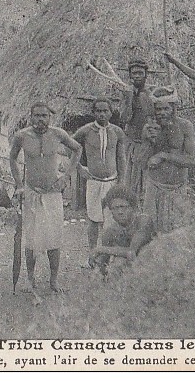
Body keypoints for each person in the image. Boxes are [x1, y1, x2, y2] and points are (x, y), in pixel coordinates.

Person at [9, 102, 82, 293]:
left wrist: (66, 176)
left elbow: (77, 149)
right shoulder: (22, 136)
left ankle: (53, 280)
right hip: (32, 192)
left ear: (50, 117)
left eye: (44, 116)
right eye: (37, 115)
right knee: (30, 239)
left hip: (52, 193)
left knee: (53, 238)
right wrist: (18, 184)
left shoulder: (58, 134)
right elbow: (12, 158)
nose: (41, 119)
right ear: (30, 117)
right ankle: (31, 279)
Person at [72, 97, 127, 265]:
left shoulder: (117, 132)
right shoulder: (85, 131)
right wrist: (79, 168)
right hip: (94, 181)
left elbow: (121, 157)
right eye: (98, 111)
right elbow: (70, 147)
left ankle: (108, 255)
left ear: (111, 112)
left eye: (105, 111)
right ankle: (92, 254)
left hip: (112, 181)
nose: (102, 114)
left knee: (112, 221)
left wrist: (122, 181)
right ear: (93, 112)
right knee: (94, 220)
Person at [140, 86, 195, 233]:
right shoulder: (149, 128)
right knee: (150, 231)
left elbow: (193, 160)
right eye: (158, 109)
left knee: (177, 232)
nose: (162, 113)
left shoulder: (185, 126)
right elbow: (141, 163)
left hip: (178, 188)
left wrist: (163, 156)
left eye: (166, 109)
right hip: (154, 186)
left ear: (174, 108)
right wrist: (148, 142)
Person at [90, 184, 156, 275]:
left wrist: (100, 249)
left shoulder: (143, 221)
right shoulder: (110, 232)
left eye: (123, 207)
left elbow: (131, 252)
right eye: (115, 208)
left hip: (152, 266)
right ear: (111, 211)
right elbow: (104, 262)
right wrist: (97, 263)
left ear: (132, 207)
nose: (120, 212)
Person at [119, 59, 155, 199]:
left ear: (146, 75)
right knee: (130, 181)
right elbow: (124, 118)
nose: (137, 76)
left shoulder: (151, 93)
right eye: (134, 73)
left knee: (147, 183)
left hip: (147, 144)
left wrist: (141, 97)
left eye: (140, 73)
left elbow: (151, 115)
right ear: (130, 76)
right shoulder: (127, 94)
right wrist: (129, 99)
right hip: (131, 143)